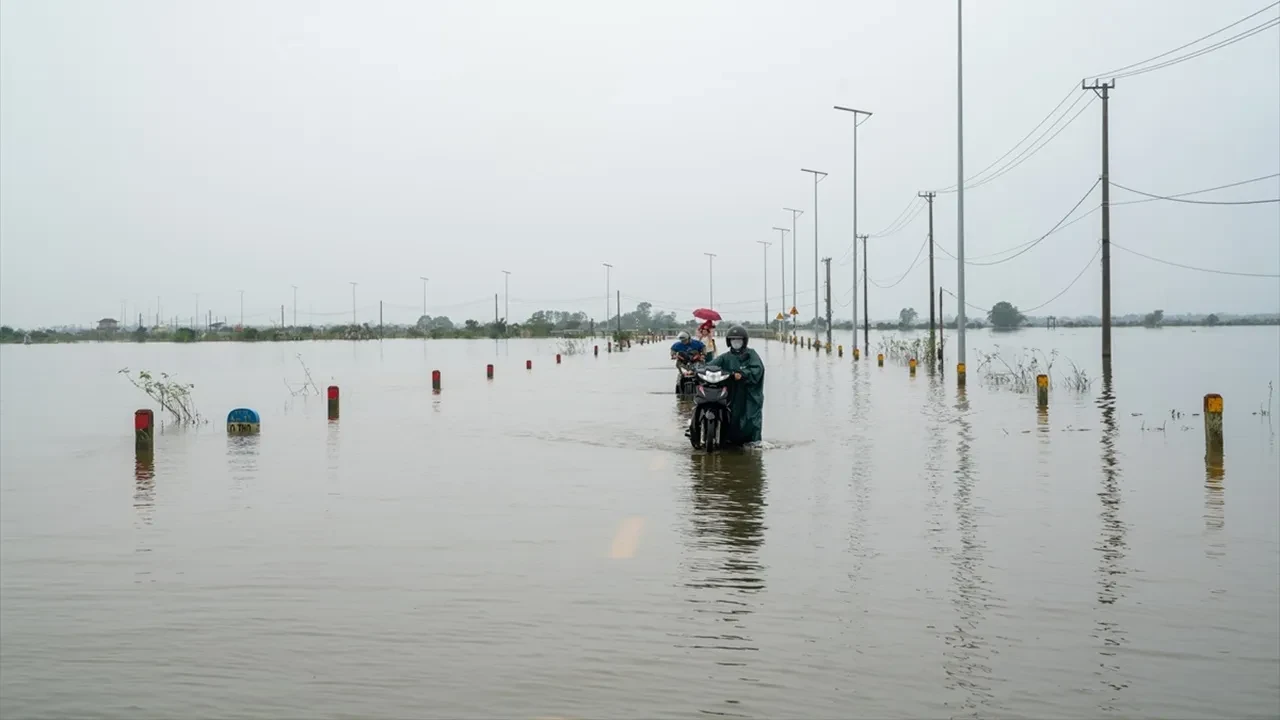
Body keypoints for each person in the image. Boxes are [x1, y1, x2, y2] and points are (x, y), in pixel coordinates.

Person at [704, 324, 765, 446]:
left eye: (739, 340)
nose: (736, 342)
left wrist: (742, 374)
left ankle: (753, 444)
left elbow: (757, 370)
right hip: (731, 394)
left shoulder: (751, 354)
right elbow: (710, 365)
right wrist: (696, 370)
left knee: (750, 420)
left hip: (749, 396)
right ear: (729, 341)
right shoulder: (726, 357)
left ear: (744, 341)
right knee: (730, 417)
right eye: (733, 340)